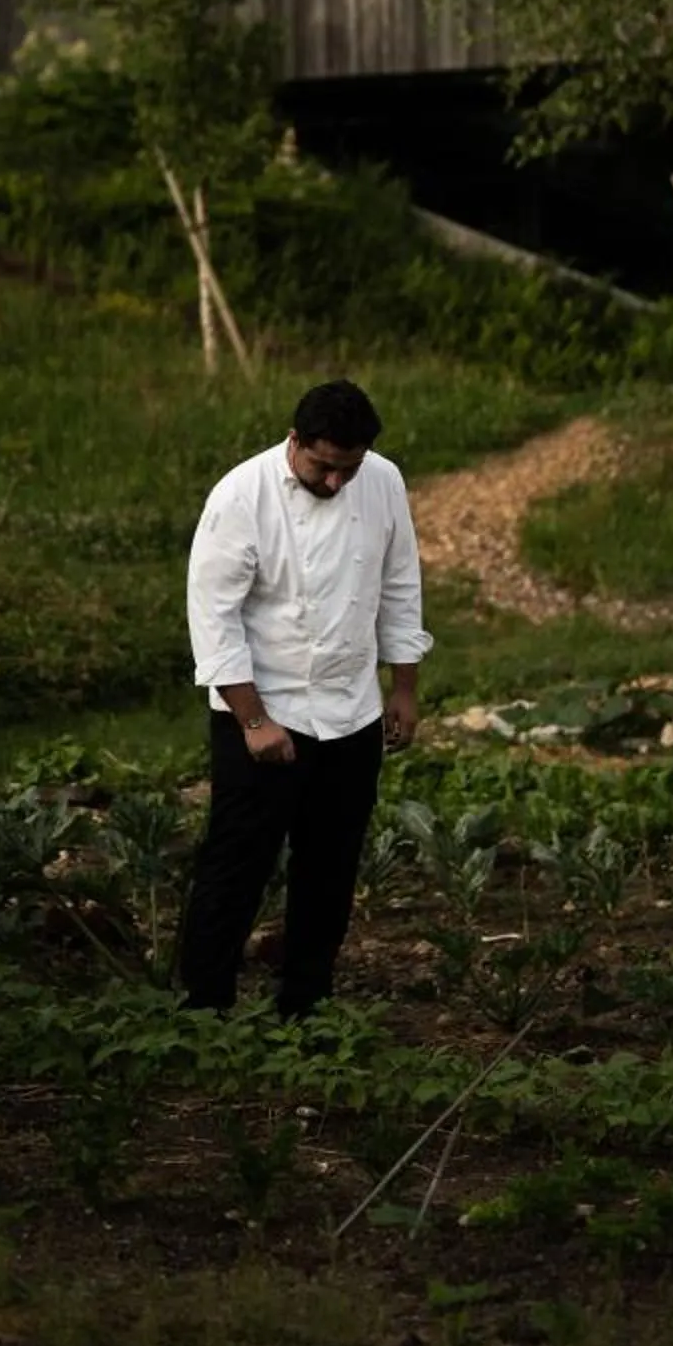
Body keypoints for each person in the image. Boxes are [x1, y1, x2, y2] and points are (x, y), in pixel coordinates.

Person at [177, 378, 432, 1018]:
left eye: (349, 469)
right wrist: (254, 719)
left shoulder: (383, 481)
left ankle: (305, 1005)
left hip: (351, 710)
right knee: (237, 866)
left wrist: (402, 686)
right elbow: (214, 618)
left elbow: (400, 581)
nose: (337, 483)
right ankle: (204, 1008)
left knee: (330, 867)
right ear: (295, 442)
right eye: (324, 467)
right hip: (265, 712)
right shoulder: (241, 495)